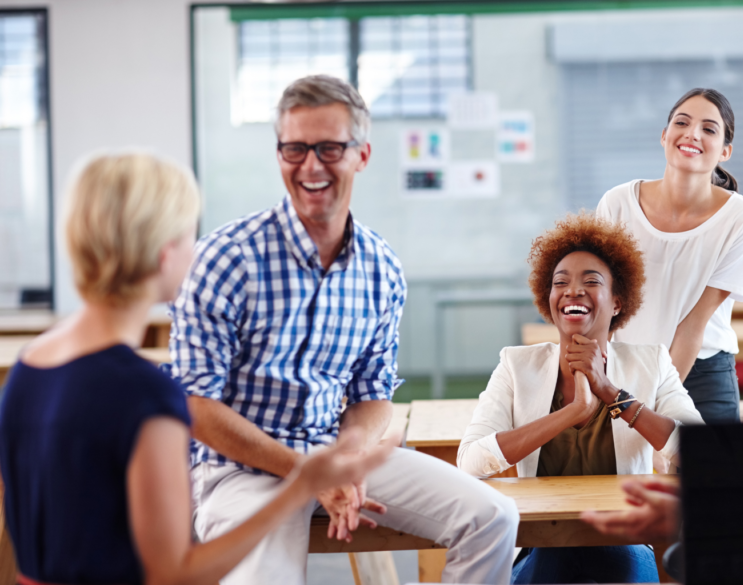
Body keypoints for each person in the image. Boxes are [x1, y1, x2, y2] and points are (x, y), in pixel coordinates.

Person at [169, 75, 518, 585]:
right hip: (239, 470)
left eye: (330, 148)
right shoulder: (224, 258)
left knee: (493, 518)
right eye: (295, 148)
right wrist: (307, 472)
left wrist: (348, 456)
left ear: (362, 154)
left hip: (332, 452)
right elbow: (195, 406)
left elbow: (372, 395)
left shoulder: (381, 267)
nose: (311, 165)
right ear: (279, 152)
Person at [0, 152, 393, 585]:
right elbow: (176, 574)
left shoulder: (29, 368)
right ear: (165, 253)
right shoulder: (146, 396)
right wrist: (302, 484)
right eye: (191, 233)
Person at [458, 213, 704, 584]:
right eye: (561, 283)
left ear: (617, 303)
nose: (573, 291)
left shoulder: (651, 362)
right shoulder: (515, 364)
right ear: (549, 298)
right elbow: (470, 462)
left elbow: (701, 451)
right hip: (543, 548)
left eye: (591, 281)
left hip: (626, 543)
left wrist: (611, 393)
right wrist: (571, 413)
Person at [595, 88, 743, 424]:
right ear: (664, 135)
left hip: (701, 375)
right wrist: (599, 382)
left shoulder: (741, 219)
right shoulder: (617, 203)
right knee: (616, 479)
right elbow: (601, 306)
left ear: (725, 150)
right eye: (681, 122)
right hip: (624, 366)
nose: (692, 134)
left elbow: (693, 325)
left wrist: (649, 409)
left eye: (709, 129)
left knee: (709, 476)